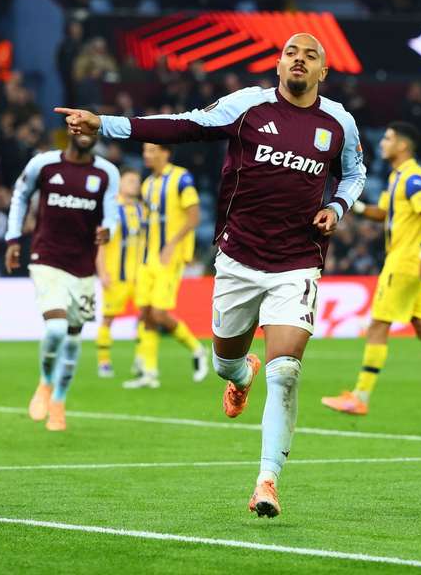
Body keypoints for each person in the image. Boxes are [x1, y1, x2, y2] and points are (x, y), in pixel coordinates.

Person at [55, 32, 366, 518]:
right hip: (239, 259)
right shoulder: (248, 106)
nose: (299, 60)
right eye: (291, 53)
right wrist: (107, 124)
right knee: (226, 362)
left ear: (324, 71)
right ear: (278, 65)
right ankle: (240, 378)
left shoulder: (338, 122)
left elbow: (354, 174)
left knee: (285, 373)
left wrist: (338, 206)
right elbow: (185, 126)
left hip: (297, 261)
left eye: (311, 55)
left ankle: (267, 481)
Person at [321, 122, 421, 417]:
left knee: (379, 325)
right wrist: (353, 204)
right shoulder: (397, 176)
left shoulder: (413, 178)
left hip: (404, 262)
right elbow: (383, 214)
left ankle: (360, 396)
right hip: (406, 262)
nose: (383, 142)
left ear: (403, 145)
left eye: (389, 138)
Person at [5, 130, 119, 431]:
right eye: (80, 128)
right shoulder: (43, 164)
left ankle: (59, 400)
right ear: (70, 131)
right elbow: (20, 197)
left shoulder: (107, 172)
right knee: (55, 329)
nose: (85, 134)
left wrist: (108, 229)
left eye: (92, 129)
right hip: (47, 258)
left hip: (82, 267)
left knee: (71, 339)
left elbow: (111, 215)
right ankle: (44, 384)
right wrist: (13, 238)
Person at [122, 144, 209, 388]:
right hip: (148, 258)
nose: (145, 155)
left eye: (150, 151)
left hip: (170, 258)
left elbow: (194, 216)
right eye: (144, 151)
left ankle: (197, 349)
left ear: (165, 153)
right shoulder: (148, 184)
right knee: (146, 313)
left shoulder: (182, 178)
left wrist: (173, 245)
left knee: (159, 313)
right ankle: (149, 372)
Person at [95, 168, 145, 378]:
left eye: (137, 180)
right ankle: (104, 362)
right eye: (130, 180)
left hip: (141, 275)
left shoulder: (144, 210)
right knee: (108, 318)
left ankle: (142, 360)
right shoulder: (112, 209)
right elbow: (101, 243)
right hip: (117, 275)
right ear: (121, 184)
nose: (135, 183)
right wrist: (102, 270)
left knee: (145, 317)